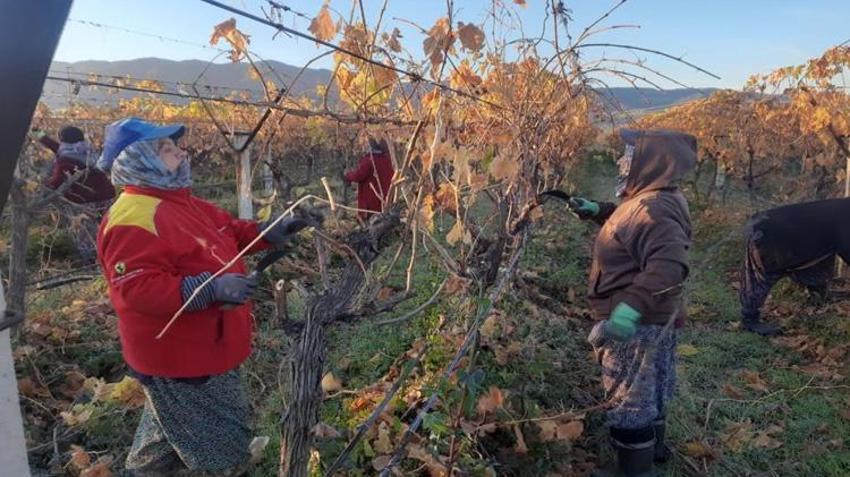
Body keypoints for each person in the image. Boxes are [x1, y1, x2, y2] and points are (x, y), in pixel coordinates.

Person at [95, 117, 308, 476]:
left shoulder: (179, 201)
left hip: (200, 346)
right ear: (138, 157)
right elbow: (135, 290)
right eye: (166, 147)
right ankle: (227, 467)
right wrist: (210, 288)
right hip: (181, 356)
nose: (180, 151)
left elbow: (229, 231)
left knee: (167, 423)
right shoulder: (132, 216)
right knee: (221, 441)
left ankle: (145, 470)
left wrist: (270, 231)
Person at [569, 129, 696, 477]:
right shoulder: (659, 197)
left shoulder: (653, 208)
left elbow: (669, 268)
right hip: (654, 317)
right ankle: (655, 452)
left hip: (637, 324)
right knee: (650, 387)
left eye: (630, 154)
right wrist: (600, 212)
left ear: (651, 162)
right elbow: (634, 225)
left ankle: (635, 472)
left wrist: (624, 315)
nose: (622, 160)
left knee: (629, 400)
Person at [739, 199, 848, 336]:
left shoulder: (844, 208)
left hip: (795, 232)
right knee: (764, 275)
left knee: (819, 263)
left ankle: (819, 296)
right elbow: (846, 246)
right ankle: (750, 319)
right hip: (773, 234)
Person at [32, 126, 116, 262]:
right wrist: (37, 133)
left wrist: (40, 186)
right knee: (109, 226)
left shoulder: (65, 160)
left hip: (85, 202)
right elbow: (56, 147)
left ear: (63, 140)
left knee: (86, 234)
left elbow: (56, 183)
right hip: (107, 196)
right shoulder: (87, 150)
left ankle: (92, 261)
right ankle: (115, 252)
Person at [343, 137, 394, 218]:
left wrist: (348, 175)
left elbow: (358, 176)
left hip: (371, 198)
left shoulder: (369, 160)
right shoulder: (387, 159)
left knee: (371, 221)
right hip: (385, 196)